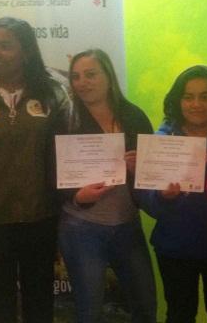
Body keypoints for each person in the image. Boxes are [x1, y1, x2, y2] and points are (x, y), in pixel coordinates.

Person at [58, 49, 156, 323]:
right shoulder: (64, 119)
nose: (82, 82)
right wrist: (77, 195)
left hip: (127, 224)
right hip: (81, 227)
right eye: (76, 77)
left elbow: (153, 172)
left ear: (109, 77)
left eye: (90, 74)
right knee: (89, 310)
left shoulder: (134, 116)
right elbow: (50, 171)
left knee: (146, 305)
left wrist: (143, 167)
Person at [137, 65, 207, 323]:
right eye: (188, 97)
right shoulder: (163, 139)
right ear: (178, 101)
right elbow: (147, 202)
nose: (196, 104)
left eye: (205, 96)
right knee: (180, 315)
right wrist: (162, 196)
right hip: (175, 247)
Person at [0, 16, 70, 323]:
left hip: (40, 217)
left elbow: (65, 152)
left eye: (5, 46)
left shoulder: (51, 94)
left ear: (26, 52)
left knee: (39, 299)